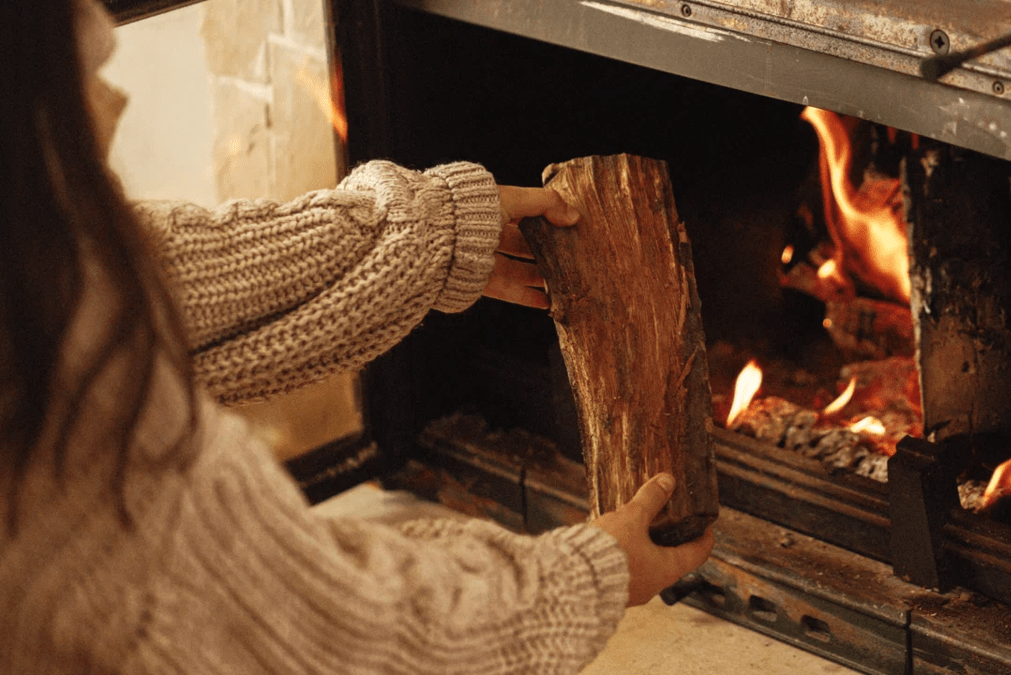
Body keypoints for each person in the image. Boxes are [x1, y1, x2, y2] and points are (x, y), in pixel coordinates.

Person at [0, 1, 715, 672]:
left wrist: (423, 229)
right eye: (85, 79)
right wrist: (585, 574)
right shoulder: (73, 459)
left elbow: (130, 278)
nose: (116, 104)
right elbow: (331, 627)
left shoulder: (35, 283)